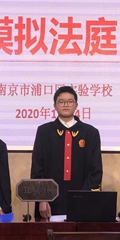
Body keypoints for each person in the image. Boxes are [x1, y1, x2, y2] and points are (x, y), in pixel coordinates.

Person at [31, 86, 102, 218]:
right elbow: (37, 168)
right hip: (49, 201)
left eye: (70, 101)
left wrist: (85, 197)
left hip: (82, 198)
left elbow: (95, 170)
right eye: (61, 102)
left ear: (76, 105)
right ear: (55, 106)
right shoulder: (44, 132)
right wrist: (42, 198)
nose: (66, 105)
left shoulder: (90, 133)